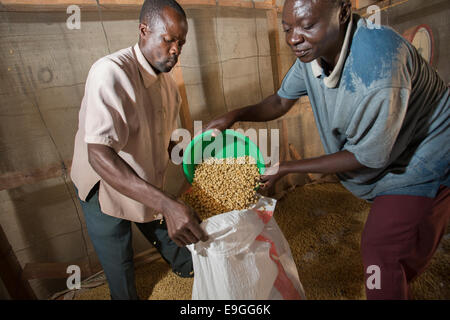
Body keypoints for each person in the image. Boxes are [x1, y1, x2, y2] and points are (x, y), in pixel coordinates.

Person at [204, 0, 449, 299]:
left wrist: (289, 167)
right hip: (388, 150)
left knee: (381, 249)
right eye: (287, 28)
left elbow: (367, 157)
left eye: (307, 26)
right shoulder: (314, 54)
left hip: (423, 153)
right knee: (400, 248)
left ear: (344, 12)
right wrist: (235, 114)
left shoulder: (378, 68)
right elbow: (281, 100)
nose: (294, 38)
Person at [70, 0, 208, 300]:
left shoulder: (168, 86)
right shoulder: (110, 73)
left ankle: (190, 267)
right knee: (118, 257)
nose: (176, 50)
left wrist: (199, 157)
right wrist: (169, 205)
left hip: (141, 176)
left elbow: (167, 140)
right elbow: (99, 155)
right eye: (168, 39)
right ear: (144, 30)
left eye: (181, 42)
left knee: (160, 224)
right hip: (103, 181)